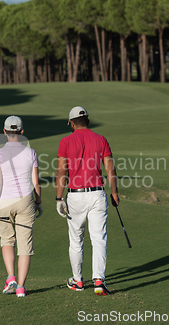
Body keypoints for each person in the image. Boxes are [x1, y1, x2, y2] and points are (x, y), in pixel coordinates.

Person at [55, 106, 119, 296]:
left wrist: (59, 197)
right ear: (88, 121)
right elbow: (110, 170)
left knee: (76, 241)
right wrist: (114, 193)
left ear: (72, 123)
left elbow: (61, 171)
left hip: (75, 195)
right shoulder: (101, 140)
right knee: (99, 239)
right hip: (97, 193)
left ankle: (78, 281)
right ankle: (99, 280)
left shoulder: (65, 141)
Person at [0, 116, 43, 298]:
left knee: (7, 240)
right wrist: (39, 202)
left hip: (4, 202)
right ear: (21, 131)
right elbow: (36, 183)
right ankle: (20, 287)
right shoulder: (31, 153)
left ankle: (11, 277)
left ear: (4, 132)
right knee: (24, 245)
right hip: (25, 201)